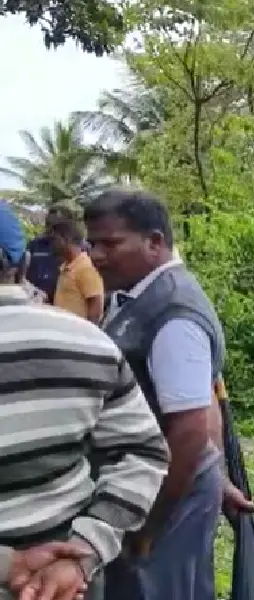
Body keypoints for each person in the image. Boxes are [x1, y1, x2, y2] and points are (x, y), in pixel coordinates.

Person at [84, 189, 253, 600]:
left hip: (163, 498)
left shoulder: (174, 315)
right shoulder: (138, 298)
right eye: (92, 243)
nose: (97, 256)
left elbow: (190, 427)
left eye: (111, 243)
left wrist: (148, 520)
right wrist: (215, 475)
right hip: (165, 486)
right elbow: (200, 402)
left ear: (155, 241)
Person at [0, 201, 168, 600]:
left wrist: (11, 565)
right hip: (68, 585)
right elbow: (143, 453)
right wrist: (83, 553)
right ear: (22, 263)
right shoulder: (88, 343)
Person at [49, 216, 104, 323]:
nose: (52, 244)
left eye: (54, 239)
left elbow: (96, 304)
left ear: (66, 239)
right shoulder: (66, 267)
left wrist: (88, 334)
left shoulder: (84, 268)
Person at [24, 203, 78, 304]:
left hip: (65, 306)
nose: (50, 229)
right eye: (48, 224)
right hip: (36, 302)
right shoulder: (34, 245)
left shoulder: (80, 249)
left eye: (55, 225)